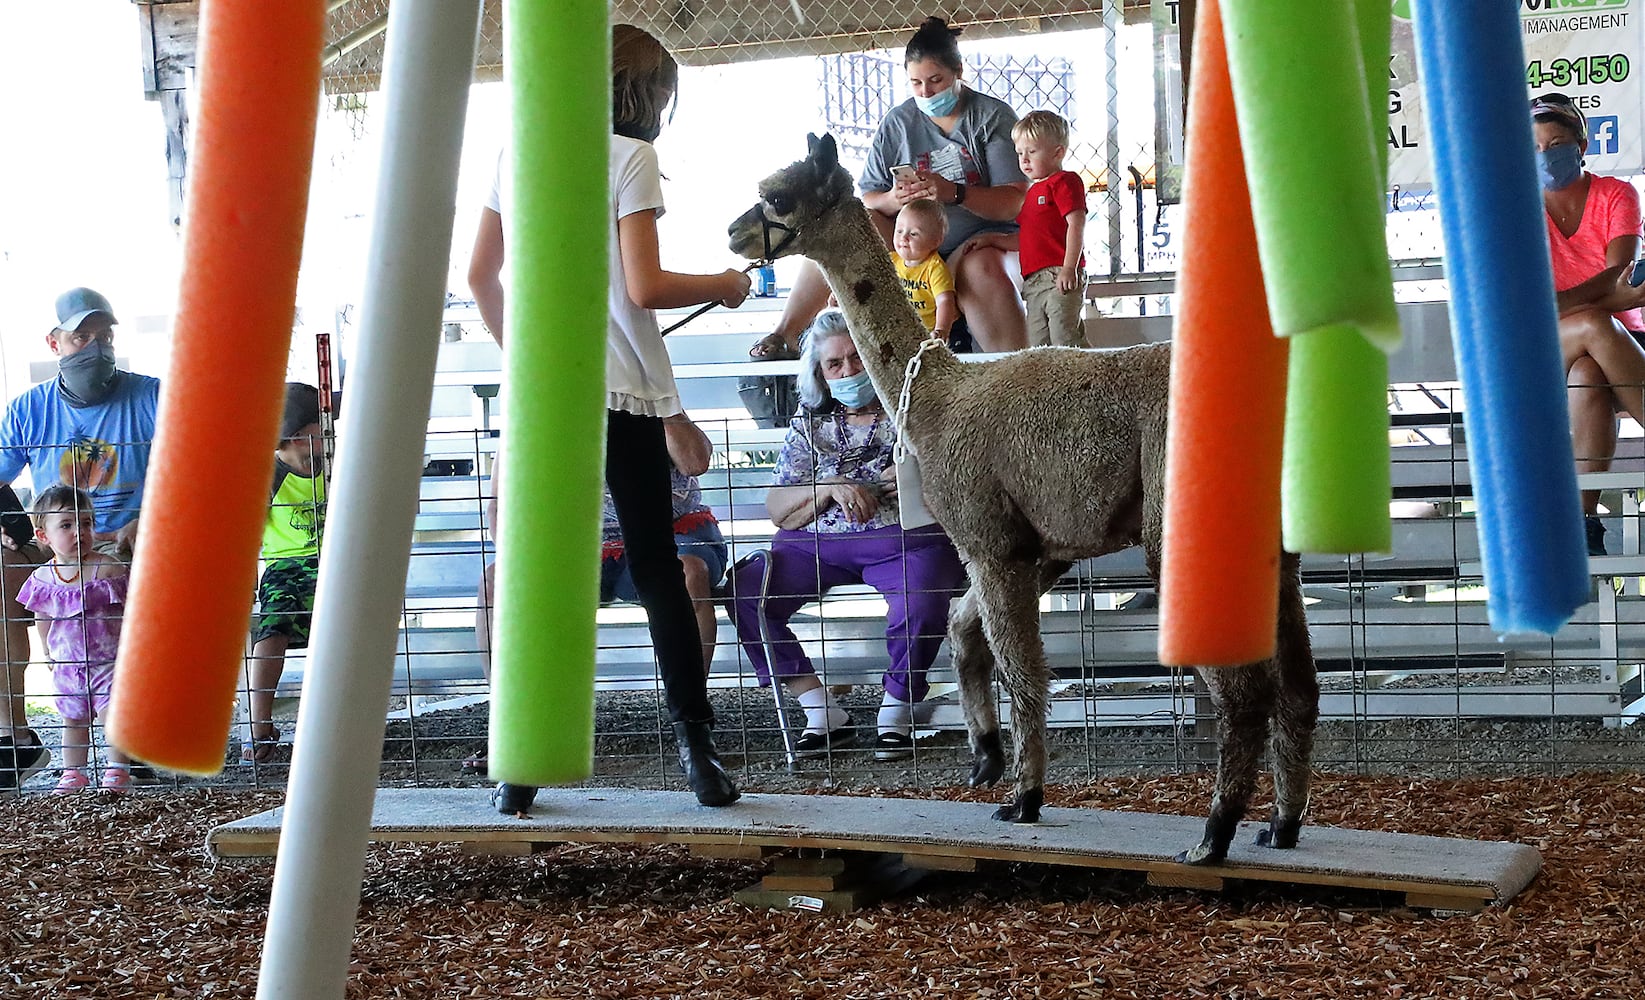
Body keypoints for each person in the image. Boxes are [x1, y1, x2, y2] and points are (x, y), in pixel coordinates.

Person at [467, 24, 750, 813]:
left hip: (541, 394)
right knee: (657, 567)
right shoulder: (631, 157)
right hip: (620, 392)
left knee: (543, 571)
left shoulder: (515, 151)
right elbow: (645, 285)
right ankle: (697, 752)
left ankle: (519, 768)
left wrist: (522, 357)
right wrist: (724, 284)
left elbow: (479, 275)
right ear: (649, 93)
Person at [731, 311, 967, 760]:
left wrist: (921, 480)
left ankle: (896, 709)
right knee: (747, 593)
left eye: (856, 359)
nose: (847, 372)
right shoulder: (810, 420)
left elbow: (960, 478)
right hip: (815, 542)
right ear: (820, 373)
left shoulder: (915, 407)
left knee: (923, 596)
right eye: (834, 364)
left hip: (906, 536)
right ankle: (820, 711)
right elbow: (778, 508)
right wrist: (826, 490)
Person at [464, 412, 727, 778]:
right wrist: (524, 559)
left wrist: (661, 403)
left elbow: (696, 461)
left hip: (671, 533)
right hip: (576, 547)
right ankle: (510, 723)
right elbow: (499, 507)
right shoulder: (541, 399)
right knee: (495, 581)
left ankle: (694, 727)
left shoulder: (647, 390)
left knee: (688, 572)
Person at [747, 16, 1028, 359]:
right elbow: (869, 196)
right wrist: (894, 199)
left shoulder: (991, 117)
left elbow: (1013, 201)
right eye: (916, 83)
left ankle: (1015, 369)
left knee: (981, 267)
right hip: (910, 241)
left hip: (978, 243)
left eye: (936, 81)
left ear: (958, 70)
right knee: (839, 228)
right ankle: (784, 336)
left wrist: (954, 193)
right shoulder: (898, 122)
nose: (926, 92)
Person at [0, 287, 159, 790]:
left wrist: (147, 521)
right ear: (55, 343)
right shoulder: (29, 408)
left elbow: (196, 463)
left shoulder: (153, 394)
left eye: (105, 336)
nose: (97, 348)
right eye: (82, 336)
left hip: (136, 538)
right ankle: (15, 737)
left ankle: (137, 738)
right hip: (55, 541)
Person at [1532, 92, 1645, 556]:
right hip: (1543, 346)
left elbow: (1623, 275)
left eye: (1556, 143)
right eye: (1535, 148)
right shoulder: (1518, 210)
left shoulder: (1617, 193)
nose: (1546, 156)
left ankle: (1582, 525)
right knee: (1597, 322)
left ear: (1581, 145)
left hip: (1624, 346)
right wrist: (1594, 298)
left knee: (1588, 374)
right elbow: (1522, 308)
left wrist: (1556, 302)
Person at [16, 485, 131, 791]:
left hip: (109, 663)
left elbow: (129, 609)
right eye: (66, 525)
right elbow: (43, 617)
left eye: (86, 523)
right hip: (68, 664)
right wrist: (47, 652)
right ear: (44, 536)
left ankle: (117, 771)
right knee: (73, 720)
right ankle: (73, 773)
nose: (80, 532)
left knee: (114, 717)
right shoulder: (43, 577)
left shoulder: (108, 568)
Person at [243, 383, 326, 764]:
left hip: (333, 560)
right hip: (284, 565)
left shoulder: (337, 463)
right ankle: (259, 723)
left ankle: (332, 720)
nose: (325, 434)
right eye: (317, 428)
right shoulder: (268, 474)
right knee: (272, 625)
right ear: (294, 437)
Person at [962, 109, 1088, 348]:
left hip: (1058, 273)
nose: (1024, 160)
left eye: (1032, 152)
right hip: (1033, 281)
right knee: (1039, 343)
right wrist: (992, 240)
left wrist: (1069, 267)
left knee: (1064, 336)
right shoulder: (1030, 193)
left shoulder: (1064, 182)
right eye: (1020, 153)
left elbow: (1076, 224)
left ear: (1057, 152)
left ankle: (1088, 382)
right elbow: (1027, 239)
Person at [891, 198, 958, 341]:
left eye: (913, 234)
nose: (904, 237)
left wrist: (941, 330)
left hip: (928, 333)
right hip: (900, 329)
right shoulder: (891, 261)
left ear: (936, 241)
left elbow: (945, 301)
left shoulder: (935, 268)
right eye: (899, 231)